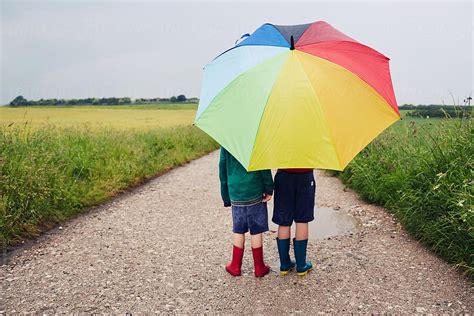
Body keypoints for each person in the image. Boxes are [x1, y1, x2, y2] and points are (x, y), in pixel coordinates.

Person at [219, 147, 274, 277]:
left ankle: (235, 266)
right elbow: (263, 167)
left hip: (236, 193)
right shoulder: (255, 141)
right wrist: (269, 187)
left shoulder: (227, 142)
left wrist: (225, 196)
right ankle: (259, 267)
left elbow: (222, 169)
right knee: (256, 230)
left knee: (238, 230)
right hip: (255, 191)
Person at [273, 168, 315, 276]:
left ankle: (284, 264)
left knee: (283, 221)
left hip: (283, 176)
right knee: (302, 219)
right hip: (305, 175)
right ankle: (301, 265)